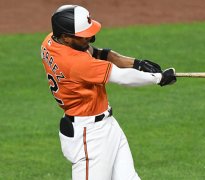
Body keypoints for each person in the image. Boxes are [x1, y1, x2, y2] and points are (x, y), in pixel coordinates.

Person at [40, 4, 176, 180]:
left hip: (107, 126)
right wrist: (158, 78)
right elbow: (122, 78)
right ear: (66, 37)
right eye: (84, 36)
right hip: (89, 135)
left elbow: (97, 53)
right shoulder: (76, 64)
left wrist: (137, 63)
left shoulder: (50, 41)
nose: (91, 38)